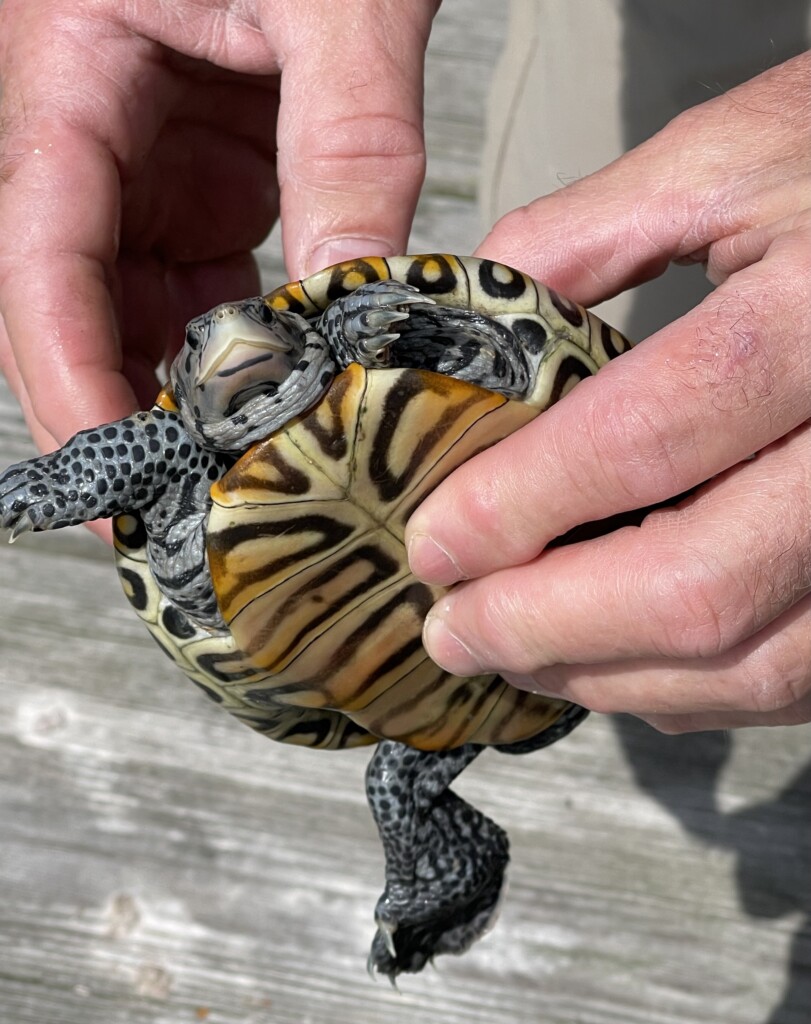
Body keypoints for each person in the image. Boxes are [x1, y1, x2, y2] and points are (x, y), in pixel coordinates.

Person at [0, 0, 808, 734]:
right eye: (204, 349)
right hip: (370, 678)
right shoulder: (176, 447)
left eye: (251, 326)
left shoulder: (351, 331)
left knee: (718, 409)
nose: (232, 337)